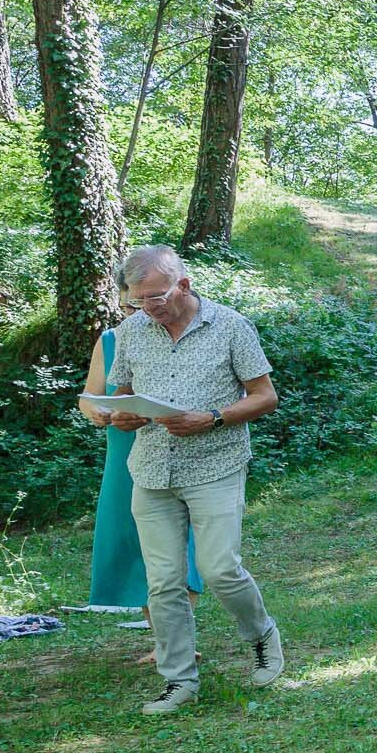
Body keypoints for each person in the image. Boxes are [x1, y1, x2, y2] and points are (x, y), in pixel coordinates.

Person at [105, 245, 285, 714]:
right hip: (151, 470)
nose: (149, 307)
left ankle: (262, 634)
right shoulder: (131, 331)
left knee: (220, 568)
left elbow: (265, 397)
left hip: (215, 466)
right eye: (138, 300)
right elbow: (121, 393)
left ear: (183, 284)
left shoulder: (230, 325)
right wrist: (122, 415)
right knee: (162, 582)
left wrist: (213, 417)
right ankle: (179, 680)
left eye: (156, 296)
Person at [79, 265, 203, 661]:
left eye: (143, 303)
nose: (136, 313)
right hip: (124, 453)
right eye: (128, 306)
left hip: (176, 445)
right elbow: (89, 396)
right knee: (134, 539)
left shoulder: (184, 332)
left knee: (178, 538)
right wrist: (95, 412)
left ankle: (179, 640)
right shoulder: (112, 340)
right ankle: (162, 640)